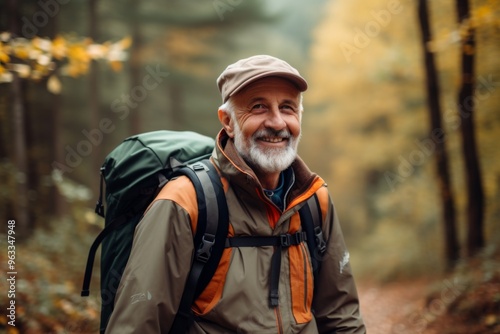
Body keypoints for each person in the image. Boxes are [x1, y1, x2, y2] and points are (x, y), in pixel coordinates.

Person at [105, 55, 366, 333]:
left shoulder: (314, 201)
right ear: (228, 121)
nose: (277, 122)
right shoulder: (185, 201)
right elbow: (138, 324)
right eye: (258, 107)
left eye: (288, 108)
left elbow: (341, 315)